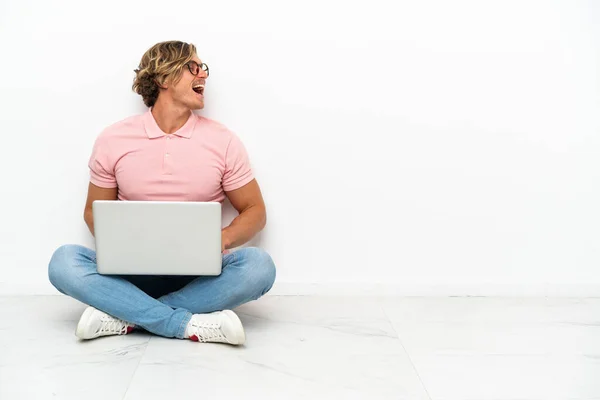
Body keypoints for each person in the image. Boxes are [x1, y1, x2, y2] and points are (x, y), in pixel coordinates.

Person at [48, 41, 276, 346]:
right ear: (163, 78)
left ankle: (124, 315)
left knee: (259, 267)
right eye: (193, 67)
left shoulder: (223, 141)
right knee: (64, 262)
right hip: (129, 271)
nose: (204, 75)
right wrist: (122, 242)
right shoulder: (113, 138)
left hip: (200, 274)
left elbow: (255, 211)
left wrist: (220, 239)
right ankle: (183, 322)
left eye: (203, 68)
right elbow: (93, 210)